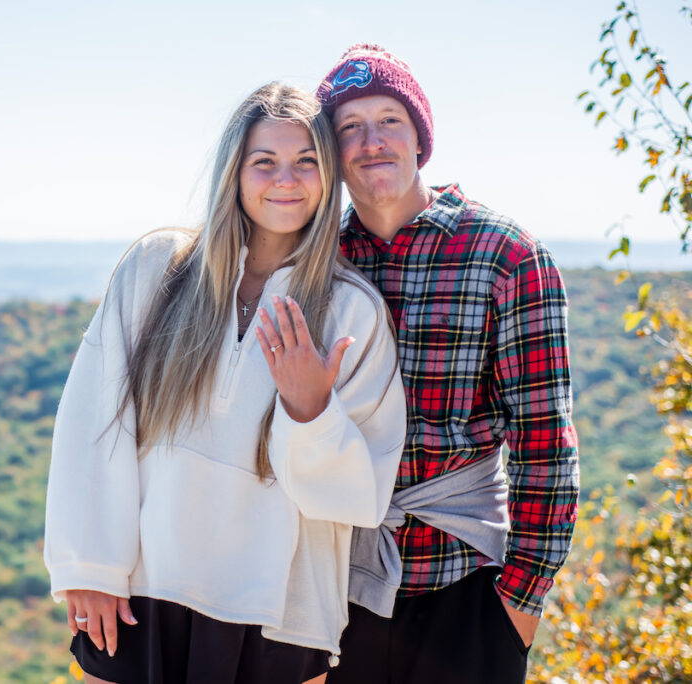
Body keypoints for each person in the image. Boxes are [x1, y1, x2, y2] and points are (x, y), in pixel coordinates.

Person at [43, 83, 406, 684]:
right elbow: (94, 417)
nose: (284, 179)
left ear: (328, 178)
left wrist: (310, 410)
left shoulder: (352, 311)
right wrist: (90, 567)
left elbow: (361, 500)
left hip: (278, 616)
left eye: (306, 162)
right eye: (264, 161)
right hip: (143, 592)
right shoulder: (158, 268)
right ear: (233, 173)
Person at [313, 44, 581, 684]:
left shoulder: (506, 255)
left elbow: (545, 442)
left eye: (389, 120)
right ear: (332, 152)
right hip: (327, 588)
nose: (371, 141)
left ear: (420, 138)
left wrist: (518, 602)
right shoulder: (317, 261)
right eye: (349, 126)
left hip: (464, 592)